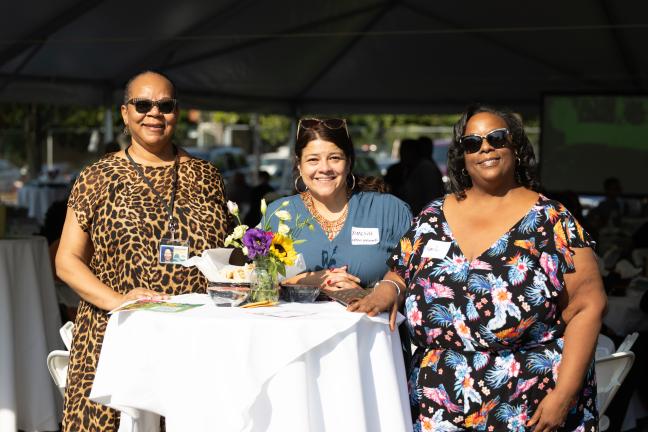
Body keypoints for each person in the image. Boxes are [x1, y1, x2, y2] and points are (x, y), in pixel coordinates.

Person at [350, 104, 606, 431]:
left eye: (496, 138)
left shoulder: (551, 221)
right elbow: (400, 270)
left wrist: (564, 395)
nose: (485, 147)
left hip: (526, 407)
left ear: (515, 147)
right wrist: (389, 288)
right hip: (436, 407)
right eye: (472, 142)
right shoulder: (431, 217)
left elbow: (588, 306)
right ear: (462, 156)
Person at [55, 71, 230, 432]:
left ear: (176, 113)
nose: (154, 113)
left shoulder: (207, 175)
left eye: (165, 105)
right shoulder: (98, 176)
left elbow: (225, 255)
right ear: (124, 112)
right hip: (113, 335)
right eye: (143, 104)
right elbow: (66, 261)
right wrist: (120, 300)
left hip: (194, 338)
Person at [265, 118, 411, 289]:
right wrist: (307, 280)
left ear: (348, 163)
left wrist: (368, 296)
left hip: (372, 315)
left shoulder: (390, 211)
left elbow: (417, 279)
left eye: (334, 158)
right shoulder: (279, 214)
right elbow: (260, 281)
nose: (324, 168)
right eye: (313, 160)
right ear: (299, 165)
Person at [399, 136, 446, 215]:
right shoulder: (411, 168)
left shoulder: (425, 168)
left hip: (423, 216)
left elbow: (431, 196)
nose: (401, 154)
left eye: (405, 151)